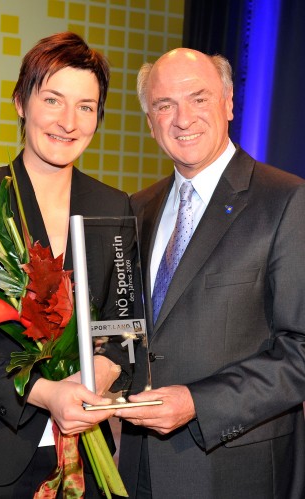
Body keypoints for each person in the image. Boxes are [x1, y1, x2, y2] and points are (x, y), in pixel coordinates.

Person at [0, 32, 131, 497]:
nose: (69, 122)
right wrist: (46, 392)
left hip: (85, 457)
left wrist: (105, 369)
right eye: (53, 100)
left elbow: (127, 321)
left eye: (86, 106)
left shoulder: (114, 207)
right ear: (20, 103)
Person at [114, 48, 305, 499]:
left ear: (229, 102)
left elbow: (300, 350)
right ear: (149, 120)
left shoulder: (287, 201)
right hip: (136, 468)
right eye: (164, 105)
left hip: (234, 471)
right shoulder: (136, 209)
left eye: (199, 98)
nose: (183, 119)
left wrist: (199, 403)